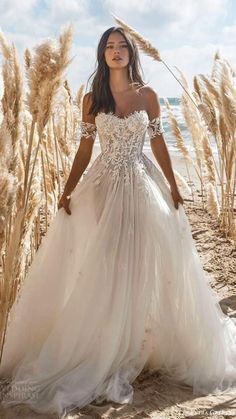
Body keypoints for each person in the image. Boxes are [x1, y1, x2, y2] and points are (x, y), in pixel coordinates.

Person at [1, 26, 236, 419]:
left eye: (122, 46)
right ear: (102, 54)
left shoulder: (148, 96)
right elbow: (84, 148)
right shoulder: (93, 98)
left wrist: (175, 186)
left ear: (131, 53)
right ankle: (105, 342)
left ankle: (138, 341)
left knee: (144, 259)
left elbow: (159, 142)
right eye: (109, 47)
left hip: (143, 184)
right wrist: (68, 189)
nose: (115, 51)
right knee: (107, 262)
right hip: (104, 186)